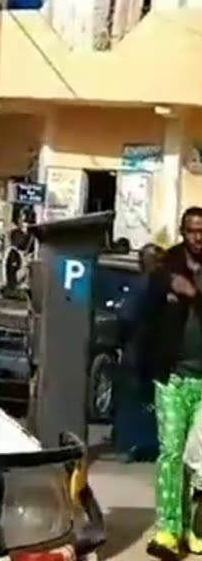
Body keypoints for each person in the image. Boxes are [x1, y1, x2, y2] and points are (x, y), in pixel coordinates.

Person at [144, 207, 202, 560]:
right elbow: (146, 302)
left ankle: (195, 529)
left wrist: (193, 293)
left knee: (199, 462)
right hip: (173, 378)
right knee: (171, 453)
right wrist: (167, 284)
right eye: (193, 230)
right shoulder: (167, 268)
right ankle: (168, 530)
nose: (198, 236)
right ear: (183, 232)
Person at [115, 243, 163, 462]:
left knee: (137, 399)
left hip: (139, 351)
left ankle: (137, 444)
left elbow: (126, 318)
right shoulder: (160, 287)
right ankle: (147, 443)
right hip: (154, 353)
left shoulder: (141, 286)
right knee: (150, 401)